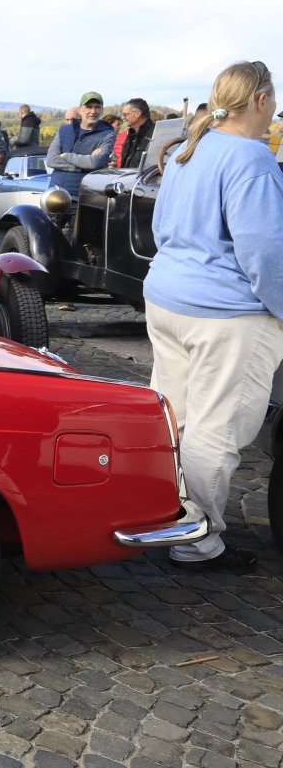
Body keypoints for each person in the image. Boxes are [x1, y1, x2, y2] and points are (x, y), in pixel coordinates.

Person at [143, 61, 283, 574]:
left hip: (168, 300)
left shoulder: (190, 149)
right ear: (262, 101)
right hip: (226, 314)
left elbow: (161, 227)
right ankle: (196, 544)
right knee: (216, 430)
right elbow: (265, 251)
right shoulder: (251, 158)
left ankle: (166, 519)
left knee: (175, 422)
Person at [45, 91, 116, 195]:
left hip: (85, 194)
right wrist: (85, 166)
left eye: (97, 107)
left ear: (102, 110)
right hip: (55, 193)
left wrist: (67, 156)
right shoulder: (64, 130)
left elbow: (95, 162)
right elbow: (51, 160)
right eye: (89, 107)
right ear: (80, 109)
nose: (93, 111)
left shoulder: (108, 134)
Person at [115, 98, 154, 169]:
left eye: (125, 114)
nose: (122, 118)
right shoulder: (131, 134)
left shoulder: (154, 135)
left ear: (137, 114)